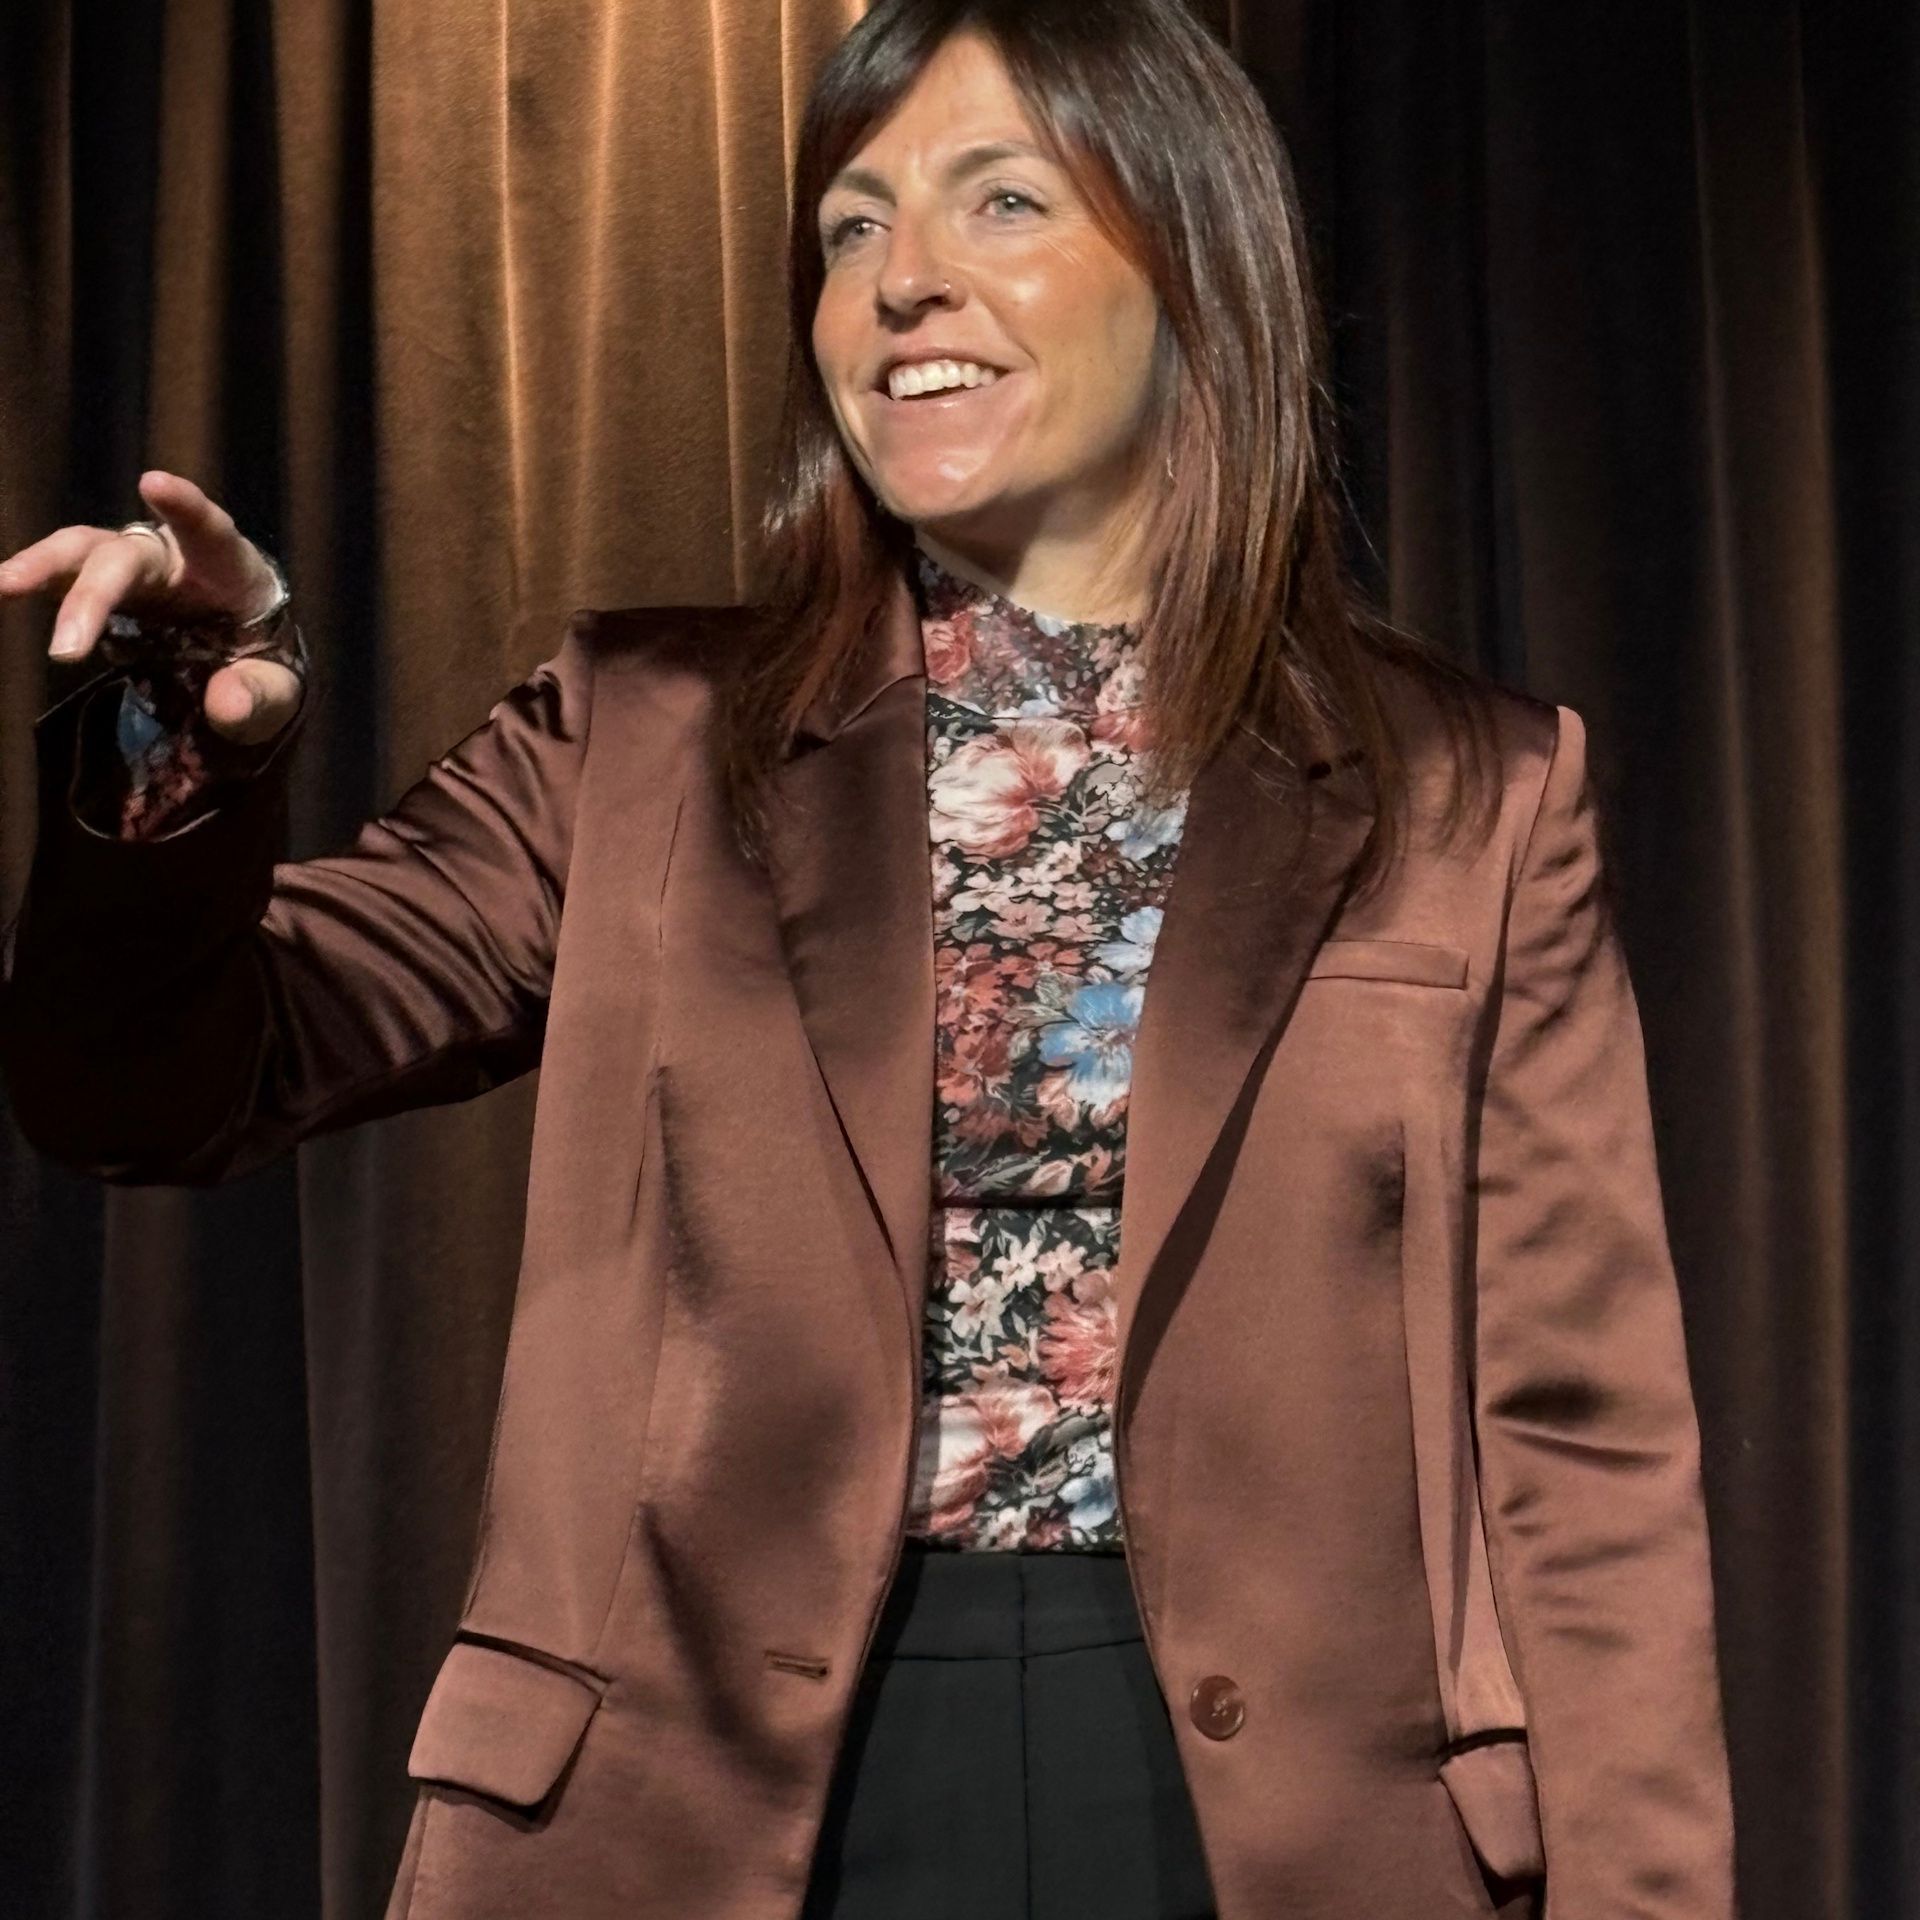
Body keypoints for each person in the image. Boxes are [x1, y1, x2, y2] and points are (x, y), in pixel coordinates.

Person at [0, 1, 1736, 1916]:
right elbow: (149, 1088)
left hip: (1279, 1823)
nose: (903, 281)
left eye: (1002, 201)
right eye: (851, 225)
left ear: (1194, 265)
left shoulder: (1470, 791)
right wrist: (177, 749)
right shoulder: (640, 733)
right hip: (710, 1809)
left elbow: (1582, 1459)